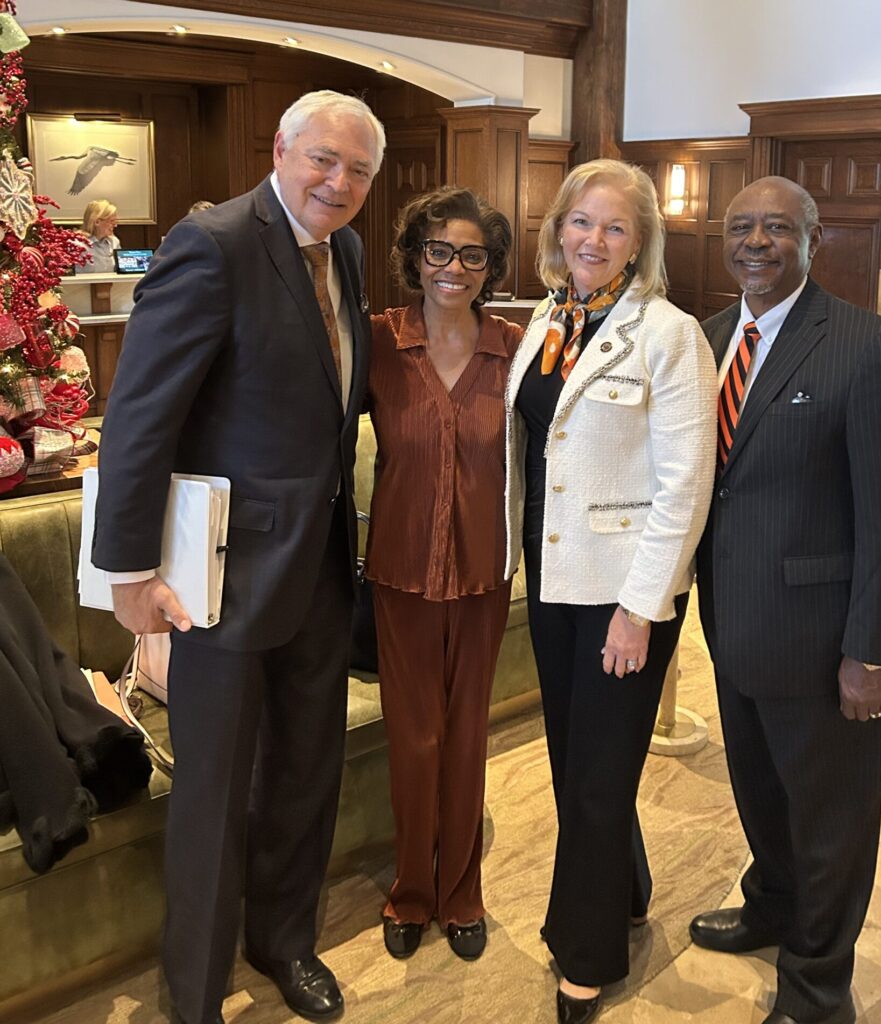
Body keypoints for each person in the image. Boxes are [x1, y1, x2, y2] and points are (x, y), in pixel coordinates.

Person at [92, 89, 386, 1024]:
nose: (338, 183)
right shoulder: (212, 244)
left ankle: (284, 942)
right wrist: (127, 574)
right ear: (281, 150)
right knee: (214, 793)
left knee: (307, 772)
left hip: (320, 572)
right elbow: (140, 416)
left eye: (358, 172)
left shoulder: (343, 249)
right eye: (322, 161)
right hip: (216, 582)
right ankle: (197, 988)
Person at [689, 176, 881, 1024]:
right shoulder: (709, 338)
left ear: (812, 240)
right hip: (734, 626)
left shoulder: (867, 346)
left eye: (777, 228)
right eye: (741, 227)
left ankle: (818, 986)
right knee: (758, 787)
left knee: (830, 819)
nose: (756, 242)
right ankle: (771, 906)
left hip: (822, 639)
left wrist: (871, 651)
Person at [504, 159, 717, 1024]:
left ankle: (586, 954)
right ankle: (623, 889)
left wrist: (640, 608)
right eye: (580, 222)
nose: (592, 239)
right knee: (577, 761)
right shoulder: (547, 320)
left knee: (593, 776)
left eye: (614, 227)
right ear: (558, 228)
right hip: (556, 582)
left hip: (620, 597)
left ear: (641, 243)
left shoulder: (669, 334)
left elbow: (684, 485)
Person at [365, 186, 522, 962]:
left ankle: (461, 892)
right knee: (413, 740)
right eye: (438, 251)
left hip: (485, 571)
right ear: (414, 258)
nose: (452, 267)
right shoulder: (378, 343)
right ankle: (410, 893)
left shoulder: (517, 348)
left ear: (490, 266)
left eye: (471, 254)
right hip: (399, 571)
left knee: (466, 739)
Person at [80, 198, 120, 272]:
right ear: (97, 222)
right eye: (112, 221)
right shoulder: (77, 244)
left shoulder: (114, 242)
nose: (115, 225)